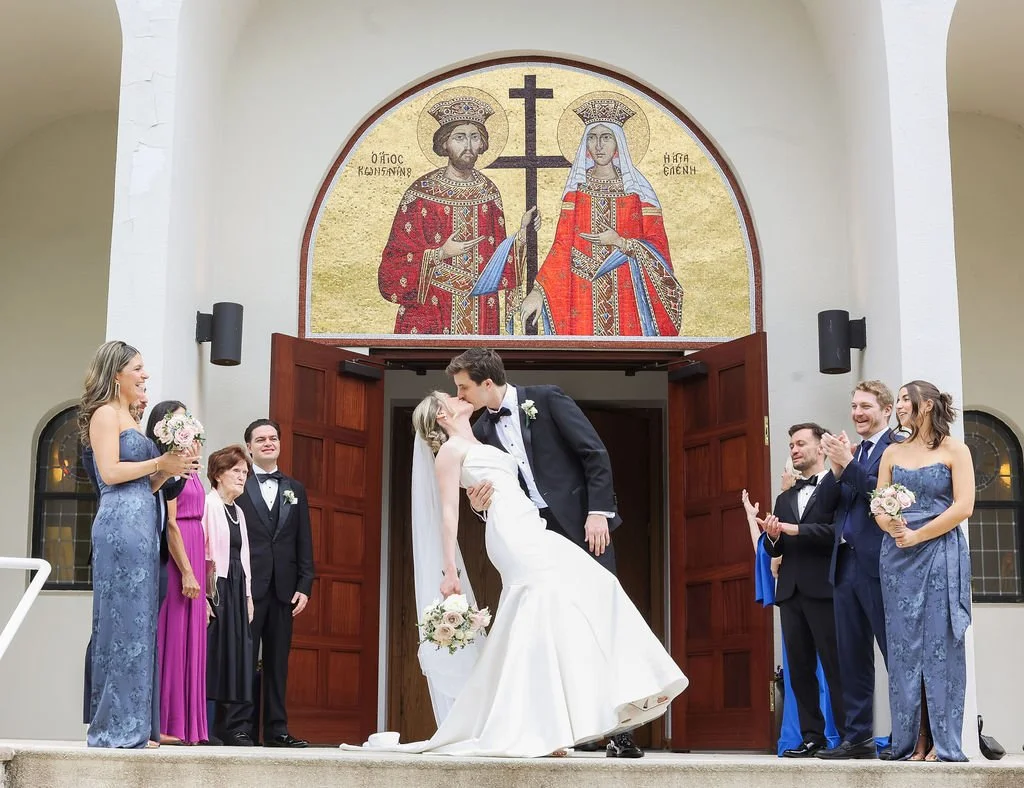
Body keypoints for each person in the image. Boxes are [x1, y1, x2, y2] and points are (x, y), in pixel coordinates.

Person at [345, 392, 687, 757]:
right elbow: (448, 513)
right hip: (511, 534)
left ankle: (594, 703)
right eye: (450, 396)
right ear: (442, 415)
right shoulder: (449, 452)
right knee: (545, 609)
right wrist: (450, 570)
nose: (459, 395)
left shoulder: (481, 438)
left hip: (533, 526)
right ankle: (543, 725)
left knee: (592, 589)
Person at [447, 348, 644, 757]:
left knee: (600, 620)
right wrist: (480, 508)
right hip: (532, 539)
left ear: (487, 383)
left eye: (464, 387)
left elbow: (594, 453)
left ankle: (621, 731)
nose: (460, 395)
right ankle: (578, 728)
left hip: (585, 528)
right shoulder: (479, 431)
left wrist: (598, 512)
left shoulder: (547, 399)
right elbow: (494, 493)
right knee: (556, 633)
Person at [79, 341, 197, 748]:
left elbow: (145, 485)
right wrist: (159, 462)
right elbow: (110, 473)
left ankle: (134, 725)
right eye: (138, 368)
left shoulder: (129, 417)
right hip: (119, 526)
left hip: (143, 523)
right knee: (121, 623)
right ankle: (113, 727)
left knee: (141, 624)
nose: (145, 375)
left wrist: (170, 470)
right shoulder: (104, 414)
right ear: (116, 374)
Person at [521, 96, 682, 336]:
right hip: (582, 295)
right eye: (592, 138)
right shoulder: (576, 192)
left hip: (627, 294)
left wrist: (621, 242)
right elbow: (562, 246)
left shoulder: (638, 192)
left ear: (618, 143)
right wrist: (538, 290)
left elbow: (658, 247)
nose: (598, 146)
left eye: (606, 137)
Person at [378, 95, 539, 335]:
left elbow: (497, 262)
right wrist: (441, 253)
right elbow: (393, 265)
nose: (468, 146)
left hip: (481, 310)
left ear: (482, 144)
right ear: (444, 143)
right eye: (459, 137)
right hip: (432, 309)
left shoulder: (488, 192)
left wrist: (522, 235)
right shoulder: (421, 193)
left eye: (475, 137)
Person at [874, 382, 973, 761]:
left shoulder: (955, 449)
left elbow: (963, 506)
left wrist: (919, 534)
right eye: (898, 399)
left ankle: (941, 740)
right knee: (903, 648)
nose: (899, 405)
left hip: (940, 552)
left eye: (905, 399)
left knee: (939, 645)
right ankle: (913, 738)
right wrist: (893, 527)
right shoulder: (892, 452)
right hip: (898, 556)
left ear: (927, 405)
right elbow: (878, 505)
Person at [816, 381, 895, 760]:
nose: (857, 413)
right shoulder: (854, 453)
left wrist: (849, 466)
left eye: (865, 406)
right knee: (851, 656)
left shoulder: (895, 447)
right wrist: (836, 469)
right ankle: (858, 737)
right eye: (854, 406)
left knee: (893, 652)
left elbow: (884, 495)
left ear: (886, 409)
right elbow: (825, 506)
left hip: (879, 564)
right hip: (844, 564)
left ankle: (906, 736)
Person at [754, 424, 844, 758]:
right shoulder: (784, 497)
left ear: (821, 448)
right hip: (790, 592)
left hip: (825, 588)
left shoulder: (836, 487)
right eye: (791, 444)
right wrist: (773, 536)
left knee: (835, 665)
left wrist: (796, 529)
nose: (794, 449)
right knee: (800, 668)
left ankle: (849, 737)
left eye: (801, 443)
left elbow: (836, 533)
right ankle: (811, 737)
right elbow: (775, 548)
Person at [230, 419, 315, 747]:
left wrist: (305, 584)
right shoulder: (239, 484)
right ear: (249, 447)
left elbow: (303, 538)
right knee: (245, 658)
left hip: (284, 589)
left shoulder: (295, 489)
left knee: (278, 662)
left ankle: (277, 730)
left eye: (273, 438)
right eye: (261, 439)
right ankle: (239, 728)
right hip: (248, 588)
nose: (268, 443)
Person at [148, 400, 209, 745]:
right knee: (173, 638)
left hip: (196, 548)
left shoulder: (192, 469)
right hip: (179, 555)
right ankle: (168, 721)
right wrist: (186, 571)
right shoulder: (168, 469)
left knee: (192, 641)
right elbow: (170, 523)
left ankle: (189, 725)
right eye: (180, 420)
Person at [204, 445, 255, 746]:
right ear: (218, 474)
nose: (242, 476)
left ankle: (230, 727)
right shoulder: (209, 505)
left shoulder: (239, 511)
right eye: (236, 471)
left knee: (235, 656)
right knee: (214, 655)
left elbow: (244, 556)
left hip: (237, 587)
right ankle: (205, 725)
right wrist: (204, 596)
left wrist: (248, 596)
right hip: (217, 587)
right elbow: (202, 551)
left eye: (245, 472)